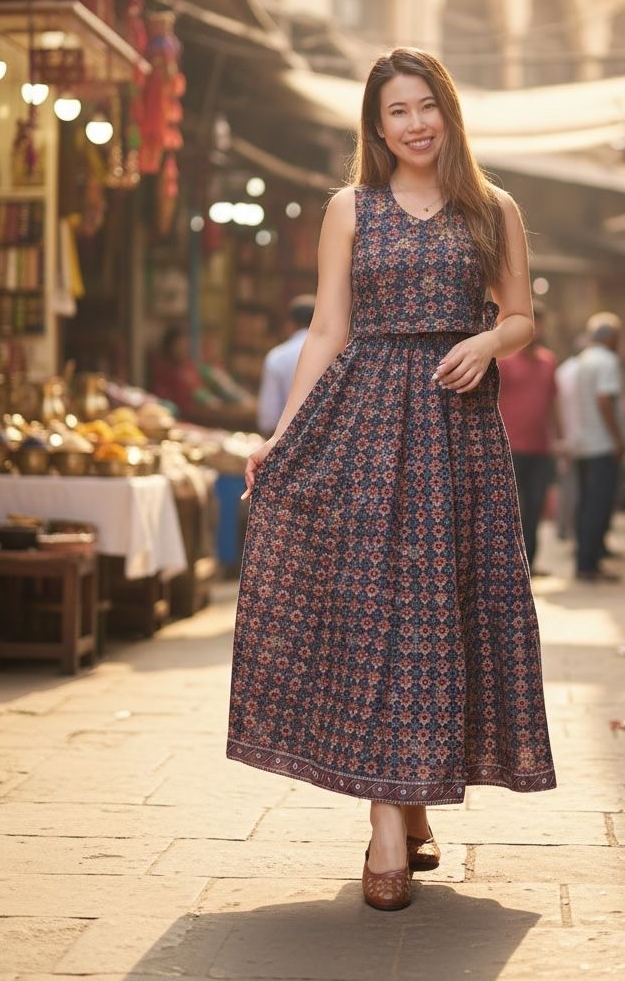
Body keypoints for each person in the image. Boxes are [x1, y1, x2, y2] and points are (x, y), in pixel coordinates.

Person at [228, 48, 555, 912]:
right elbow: (328, 328)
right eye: (395, 112)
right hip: (365, 428)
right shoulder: (350, 207)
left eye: (425, 107)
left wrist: (487, 342)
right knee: (377, 613)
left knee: (437, 613)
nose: (412, 124)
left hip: (457, 435)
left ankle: (408, 805)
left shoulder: (494, 209)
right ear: (376, 127)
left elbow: (521, 314)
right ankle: (388, 823)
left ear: (448, 111)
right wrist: (284, 433)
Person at [497, 299, 561, 575]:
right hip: (509, 447)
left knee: (535, 507)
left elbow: (552, 404)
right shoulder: (503, 360)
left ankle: (529, 563)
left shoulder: (549, 361)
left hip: (540, 448)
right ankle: (506, 566)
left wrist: (559, 438)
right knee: (509, 510)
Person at [573, 312, 625, 582]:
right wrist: (617, 438)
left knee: (586, 503)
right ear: (610, 337)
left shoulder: (582, 361)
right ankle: (589, 564)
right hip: (601, 444)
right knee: (598, 504)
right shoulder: (607, 361)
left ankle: (585, 558)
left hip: (583, 442)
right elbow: (605, 400)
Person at [256, 294, 316, 436]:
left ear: (290, 323)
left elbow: (268, 419)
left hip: (285, 441)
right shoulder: (337, 354)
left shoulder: (277, 357)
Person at [555, 332, 587, 541]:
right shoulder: (582, 371)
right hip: (580, 435)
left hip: (567, 433)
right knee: (577, 486)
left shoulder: (563, 370)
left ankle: (563, 528)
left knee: (567, 484)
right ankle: (574, 529)